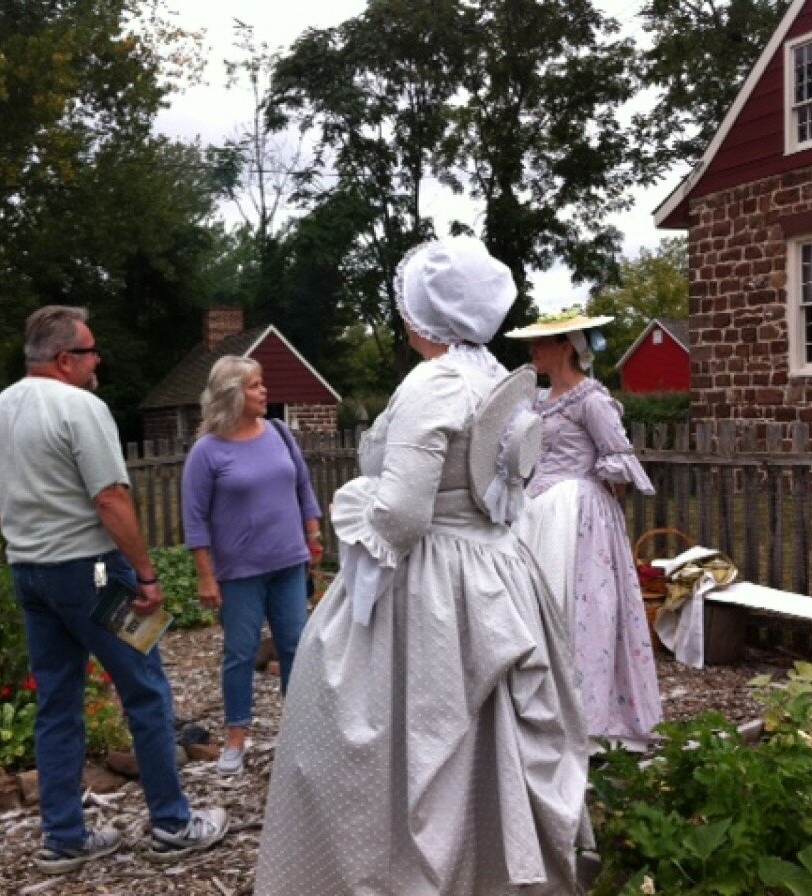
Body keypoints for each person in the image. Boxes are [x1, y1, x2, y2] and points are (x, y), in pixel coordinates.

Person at [254, 237, 591, 896]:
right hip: (498, 570)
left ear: (424, 312)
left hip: (434, 582)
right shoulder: (499, 376)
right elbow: (505, 489)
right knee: (492, 744)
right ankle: (493, 868)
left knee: (413, 740)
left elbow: (403, 513)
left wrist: (354, 511)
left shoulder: (433, 383)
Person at [0, 305, 228, 874]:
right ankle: (172, 824)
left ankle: (64, 837)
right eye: (89, 351)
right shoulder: (82, 408)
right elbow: (110, 499)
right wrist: (149, 577)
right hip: (97, 575)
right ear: (63, 360)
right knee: (147, 692)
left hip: (31, 575)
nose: (97, 359)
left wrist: (26, 532)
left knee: (57, 706)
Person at [506, 312, 663, 748]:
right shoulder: (533, 400)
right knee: (539, 611)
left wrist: (587, 488)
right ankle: (542, 716)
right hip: (537, 514)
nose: (532, 352)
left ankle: (592, 720)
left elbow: (619, 458)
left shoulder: (591, 399)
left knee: (583, 611)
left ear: (565, 347)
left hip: (578, 517)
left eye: (541, 345)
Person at [180, 355, 323, 777]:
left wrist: (313, 538)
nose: (264, 391)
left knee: (296, 648)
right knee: (240, 654)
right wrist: (206, 575)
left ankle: (300, 736)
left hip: (289, 564)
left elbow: (303, 488)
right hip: (240, 572)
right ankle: (236, 739)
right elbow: (194, 518)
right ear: (232, 394)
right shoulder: (207, 452)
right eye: (256, 385)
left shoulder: (279, 433)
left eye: (262, 384)